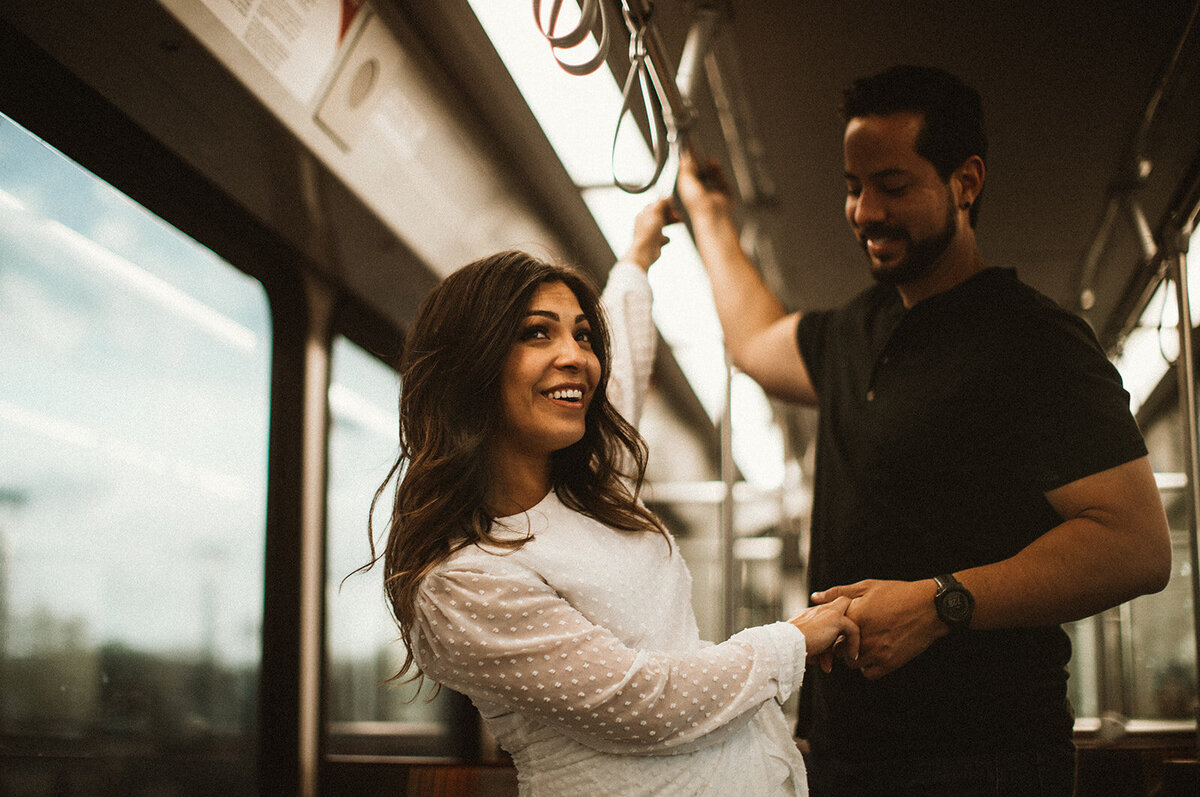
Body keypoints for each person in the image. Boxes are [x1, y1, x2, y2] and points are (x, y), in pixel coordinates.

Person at [674, 65, 1172, 795]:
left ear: (966, 182)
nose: (865, 210)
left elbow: (1134, 543)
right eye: (852, 185)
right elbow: (754, 341)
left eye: (894, 185)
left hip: (985, 759)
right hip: (844, 751)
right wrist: (708, 214)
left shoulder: (1033, 337)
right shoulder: (854, 331)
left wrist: (943, 602)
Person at [367, 198, 860, 796]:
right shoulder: (464, 580)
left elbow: (621, 356)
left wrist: (637, 257)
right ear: (471, 367)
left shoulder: (593, 488)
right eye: (536, 334)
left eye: (581, 334)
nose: (576, 357)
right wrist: (793, 639)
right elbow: (643, 703)